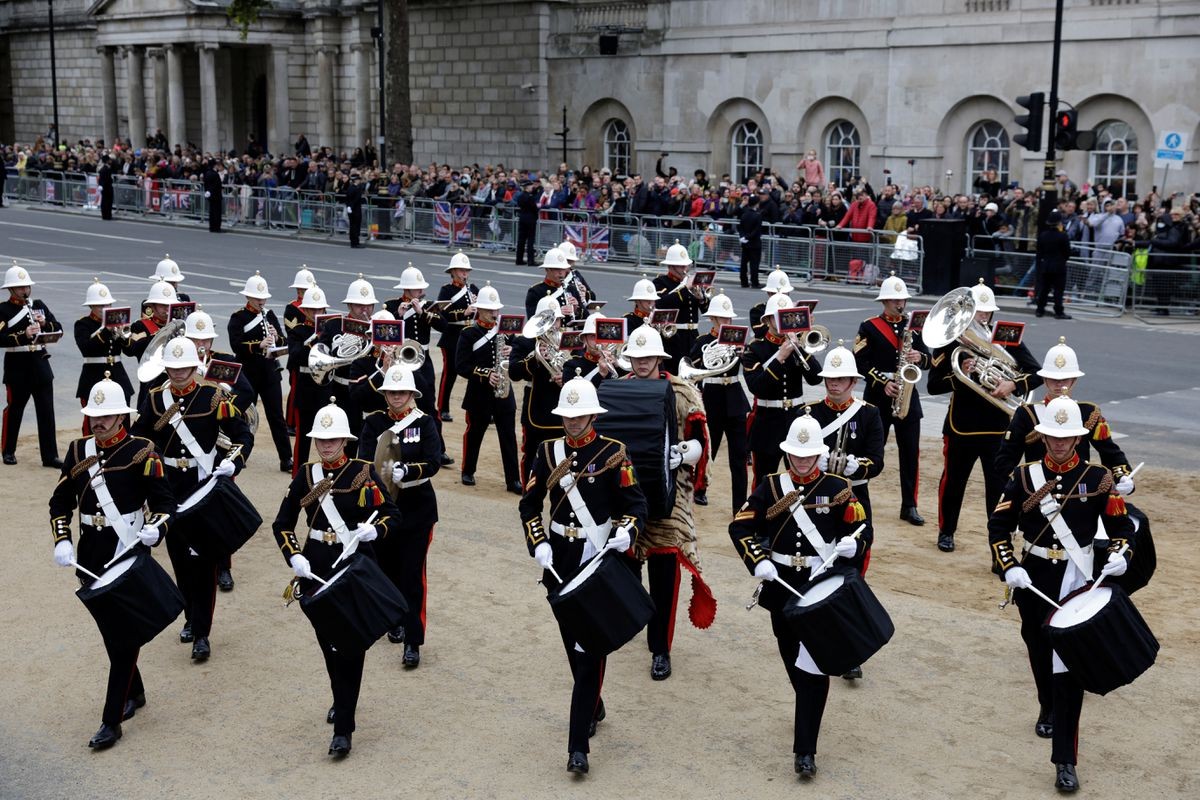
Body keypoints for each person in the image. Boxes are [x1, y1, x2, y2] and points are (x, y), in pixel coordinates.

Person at [987, 396, 1135, 793]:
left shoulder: (1098, 478)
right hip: (1033, 578)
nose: (1059, 444)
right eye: (1053, 436)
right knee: (1037, 646)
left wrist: (1122, 554)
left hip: (1077, 580)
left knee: (1067, 668)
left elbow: (1122, 531)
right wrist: (1009, 565)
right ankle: (1045, 702)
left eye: (1067, 437)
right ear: (1045, 436)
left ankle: (1065, 761)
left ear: (1077, 438)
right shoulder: (1023, 477)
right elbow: (998, 528)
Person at [728, 411, 870, 780]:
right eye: (796, 456)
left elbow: (859, 529)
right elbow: (740, 527)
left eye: (808, 456)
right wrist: (757, 561)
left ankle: (805, 751)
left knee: (813, 669)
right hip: (781, 589)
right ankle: (807, 704)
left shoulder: (838, 488)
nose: (802, 463)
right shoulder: (771, 486)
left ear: (819, 455)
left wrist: (854, 547)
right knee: (793, 662)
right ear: (787, 454)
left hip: (820, 589)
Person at [518, 373, 646, 775]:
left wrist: (627, 530)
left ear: (593, 415)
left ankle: (578, 748)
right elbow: (529, 506)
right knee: (571, 642)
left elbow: (635, 504)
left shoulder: (614, 452)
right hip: (560, 560)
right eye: (567, 415)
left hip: (598, 560)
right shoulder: (547, 451)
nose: (573, 422)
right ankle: (594, 702)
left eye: (580, 415)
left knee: (589, 652)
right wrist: (537, 542)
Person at [48, 375, 175, 749]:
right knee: (112, 632)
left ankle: (111, 721)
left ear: (122, 416)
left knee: (121, 638)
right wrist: (62, 539)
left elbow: (165, 504)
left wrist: (157, 528)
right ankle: (135, 692)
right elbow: (60, 502)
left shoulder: (143, 451)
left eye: (106, 416)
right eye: (93, 416)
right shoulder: (76, 451)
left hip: (128, 553)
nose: (98, 423)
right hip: (89, 556)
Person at [272, 397, 401, 757]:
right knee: (329, 645)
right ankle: (340, 698)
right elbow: (282, 523)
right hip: (315, 570)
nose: (326, 445)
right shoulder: (306, 475)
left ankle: (344, 726)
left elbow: (391, 514)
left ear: (344, 440)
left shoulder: (362, 472)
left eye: (333, 440)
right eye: (320, 440)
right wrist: (293, 554)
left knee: (351, 646)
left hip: (353, 569)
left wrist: (376, 533)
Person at [131, 338, 252, 660]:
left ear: (194, 367)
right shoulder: (156, 400)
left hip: (205, 489)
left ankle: (202, 632)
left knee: (206, 563)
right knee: (180, 562)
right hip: (169, 489)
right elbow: (140, 440)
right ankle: (188, 617)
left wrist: (233, 462)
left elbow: (242, 435)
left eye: (184, 366)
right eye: (173, 366)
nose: (179, 372)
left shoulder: (214, 397)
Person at [621, 326, 709, 681]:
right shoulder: (619, 388)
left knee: (664, 576)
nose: (641, 363)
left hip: (670, 498)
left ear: (659, 358)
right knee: (626, 569)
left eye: (647, 357)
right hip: (627, 494)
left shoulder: (684, 393)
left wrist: (684, 452)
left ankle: (661, 649)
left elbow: (701, 443)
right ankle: (632, 620)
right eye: (636, 357)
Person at [928, 281, 1042, 552]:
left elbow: (1036, 373)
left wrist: (1013, 385)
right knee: (953, 482)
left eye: (987, 312)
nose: (982, 317)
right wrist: (961, 374)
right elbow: (933, 385)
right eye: (978, 311)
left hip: (997, 427)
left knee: (999, 489)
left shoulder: (1005, 336)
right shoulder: (950, 340)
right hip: (962, 425)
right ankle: (946, 531)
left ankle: (998, 544)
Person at [357, 366, 441, 667]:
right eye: (391, 392)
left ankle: (413, 642)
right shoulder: (374, 422)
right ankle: (394, 620)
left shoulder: (425, 423)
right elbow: (364, 461)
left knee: (412, 578)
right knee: (386, 571)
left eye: (401, 392)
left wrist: (408, 472)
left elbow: (433, 462)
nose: (396, 397)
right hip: (383, 511)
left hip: (417, 511)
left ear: (411, 395)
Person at [996, 337, 1134, 487]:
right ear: (1045, 379)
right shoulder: (1027, 414)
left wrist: (1122, 477)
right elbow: (1005, 461)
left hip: (1079, 491)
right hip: (1037, 492)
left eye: (1065, 379)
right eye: (1054, 379)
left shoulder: (1088, 413)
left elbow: (1110, 453)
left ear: (1074, 380)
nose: (1059, 384)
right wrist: (1022, 488)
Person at [853, 274, 930, 526]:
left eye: (903, 299)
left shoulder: (914, 326)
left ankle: (909, 505)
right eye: (896, 300)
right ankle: (856, 500)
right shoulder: (869, 326)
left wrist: (919, 357)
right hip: (878, 397)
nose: (901, 304)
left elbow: (929, 360)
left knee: (910, 454)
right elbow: (860, 362)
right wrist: (882, 382)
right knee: (870, 452)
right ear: (885, 301)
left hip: (908, 395)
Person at [742, 292, 822, 487]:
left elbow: (815, 378)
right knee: (764, 479)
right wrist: (780, 357)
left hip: (795, 418)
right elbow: (757, 387)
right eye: (777, 316)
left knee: (800, 478)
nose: (783, 321)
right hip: (767, 421)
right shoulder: (755, 349)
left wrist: (799, 347)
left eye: (787, 316)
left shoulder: (797, 344)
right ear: (768, 319)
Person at [384, 264, 454, 466]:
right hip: (399, 360)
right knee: (397, 402)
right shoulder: (390, 305)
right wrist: (398, 315)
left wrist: (422, 312)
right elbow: (384, 331)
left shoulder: (428, 305)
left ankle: (438, 449)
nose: (421, 291)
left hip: (422, 360)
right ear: (406, 289)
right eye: (416, 288)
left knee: (428, 405)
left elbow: (444, 326)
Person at [454, 283, 521, 492]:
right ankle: (468, 470)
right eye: (490, 310)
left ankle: (513, 480)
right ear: (480, 310)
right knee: (474, 434)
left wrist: (513, 351)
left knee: (508, 436)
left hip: (504, 393)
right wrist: (484, 374)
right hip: (479, 394)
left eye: (496, 310)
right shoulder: (468, 334)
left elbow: (518, 354)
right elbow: (461, 366)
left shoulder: (506, 331)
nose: (494, 313)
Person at [687, 291, 749, 511]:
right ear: (712, 319)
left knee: (739, 458)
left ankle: (740, 505)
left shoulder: (737, 339)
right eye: (723, 318)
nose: (727, 322)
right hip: (712, 398)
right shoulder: (703, 341)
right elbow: (693, 365)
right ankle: (700, 488)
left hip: (734, 398)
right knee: (708, 450)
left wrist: (742, 354)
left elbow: (747, 366)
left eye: (729, 318)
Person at [227, 272, 292, 473]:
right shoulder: (238, 317)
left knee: (276, 417)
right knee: (244, 414)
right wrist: (258, 345)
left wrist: (275, 338)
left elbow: (283, 340)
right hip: (248, 373)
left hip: (269, 371)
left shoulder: (269, 314)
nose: (261, 301)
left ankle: (286, 458)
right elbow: (236, 345)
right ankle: (239, 454)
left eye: (263, 298)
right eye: (258, 298)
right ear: (248, 297)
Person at [1, 264, 62, 467]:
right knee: (15, 410)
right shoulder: (3, 309)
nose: (25, 290)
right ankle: (8, 450)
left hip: (40, 364)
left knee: (46, 412)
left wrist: (44, 324)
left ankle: (49, 455)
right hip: (17, 366)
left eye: (26, 286)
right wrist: (23, 334)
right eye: (20, 287)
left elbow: (58, 328)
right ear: (11, 289)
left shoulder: (39, 304)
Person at [509, 296, 566, 481]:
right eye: (549, 320)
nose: (553, 325)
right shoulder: (524, 342)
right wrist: (534, 357)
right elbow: (514, 372)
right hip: (537, 406)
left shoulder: (568, 341)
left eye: (556, 320)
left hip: (564, 406)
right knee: (533, 456)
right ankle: (529, 497)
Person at [74, 279, 134, 435]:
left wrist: (121, 334)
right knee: (93, 420)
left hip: (118, 374)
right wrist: (106, 330)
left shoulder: (117, 322)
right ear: (91, 306)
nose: (105, 309)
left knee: (123, 417)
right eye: (100, 305)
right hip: (93, 375)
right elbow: (87, 348)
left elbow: (129, 350)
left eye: (108, 305)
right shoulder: (83, 324)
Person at [286, 285, 329, 470]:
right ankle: (298, 475)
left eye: (320, 309)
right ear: (305, 310)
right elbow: (296, 356)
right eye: (312, 309)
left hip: (325, 389)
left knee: (329, 436)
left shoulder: (331, 331)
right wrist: (313, 338)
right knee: (303, 437)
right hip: (305, 389)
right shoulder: (298, 331)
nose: (316, 312)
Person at [434, 251, 478, 423]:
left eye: (466, 271)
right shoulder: (446, 290)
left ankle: (477, 406)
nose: (464, 274)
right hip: (452, 336)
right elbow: (442, 314)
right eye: (461, 270)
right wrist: (464, 312)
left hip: (470, 336)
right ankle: (443, 408)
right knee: (449, 374)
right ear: (453, 272)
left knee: (475, 373)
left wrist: (477, 305)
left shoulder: (473, 289)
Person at [654, 241, 706, 373]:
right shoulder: (660, 282)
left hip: (693, 336)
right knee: (674, 372)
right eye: (680, 265)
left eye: (686, 265)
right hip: (674, 337)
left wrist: (701, 298)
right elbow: (662, 304)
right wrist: (685, 288)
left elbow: (707, 311)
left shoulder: (691, 283)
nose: (685, 269)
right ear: (671, 266)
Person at [283, 266, 317, 434]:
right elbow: (293, 330)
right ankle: (290, 422)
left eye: (307, 289)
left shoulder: (316, 304)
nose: (304, 292)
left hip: (315, 356)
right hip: (299, 352)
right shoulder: (292, 308)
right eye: (303, 289)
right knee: (295, 390)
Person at [1035, 212, 1073, 319]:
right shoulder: (1063, 236)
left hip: (1046, 265)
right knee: (1058, 290)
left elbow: (1039, 252)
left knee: (1044, 289)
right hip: (1059, 266)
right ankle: (1058, 311)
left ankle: (1040, 310)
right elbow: (1067, 252)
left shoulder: (1043, 235)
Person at [524, 247, 577, 319]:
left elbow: (584, 319)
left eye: (563, 269)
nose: (561, 272)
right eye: (557, 269)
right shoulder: (535, 291)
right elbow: (532, 320)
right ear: (547, 270)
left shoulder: (571, 288)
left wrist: (576, 309)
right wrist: (556, 313)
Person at [748, 267, 794, 338]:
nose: (781, 297)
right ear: (769, 293)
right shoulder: (758, 310)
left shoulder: (793, 309)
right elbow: (760, 332)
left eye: (784, 293)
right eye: (776, 293)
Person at [738, 195, 765, 288]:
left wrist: (742, 237)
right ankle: (754, 282)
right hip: (754, 243)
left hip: (745, 243)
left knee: (744, 263)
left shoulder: (744, 214)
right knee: (754, 264)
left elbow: (740, 227)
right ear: (757, 204)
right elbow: (756, 230)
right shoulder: (757, 215)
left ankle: (743, 281)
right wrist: (748, 237)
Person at [515, 180, 540, 265]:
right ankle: (530, 260)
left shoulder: (520, 196)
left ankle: (519, 259)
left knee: (521, 240)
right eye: (531, 186)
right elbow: (534, 208)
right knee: (530, 240)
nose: (532, 187)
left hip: (522, 218)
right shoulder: (530, 197)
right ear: (527, 187)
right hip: (530, 219)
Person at [345, 171, 366, 248]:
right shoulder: (351, 188)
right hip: (353, 209)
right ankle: (354, 242)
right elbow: (349, 199)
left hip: (357, 208)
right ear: (355, 180)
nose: (359, 180)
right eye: (358, 179)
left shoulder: (358, 187)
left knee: (357, 226)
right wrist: (349, 207)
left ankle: (356, 241)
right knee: (354, 226)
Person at [203, 159, 223, 233]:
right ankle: (217, 227)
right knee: (217, 212)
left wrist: (207, 192)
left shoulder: (207, 173)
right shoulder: (215, 174)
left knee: (211, 212)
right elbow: (218, 185)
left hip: (210, 195)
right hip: (216, 196)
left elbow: (205, 184)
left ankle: (212, 227)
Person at [98, 155, 114, 220]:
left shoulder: (107, 168)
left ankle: (107, 215)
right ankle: (106, 215)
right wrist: (101, 185)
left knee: (107, 202)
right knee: (106, 202)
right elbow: (102, 179)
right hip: (107, 187)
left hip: (106, 187)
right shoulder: (104, 169)